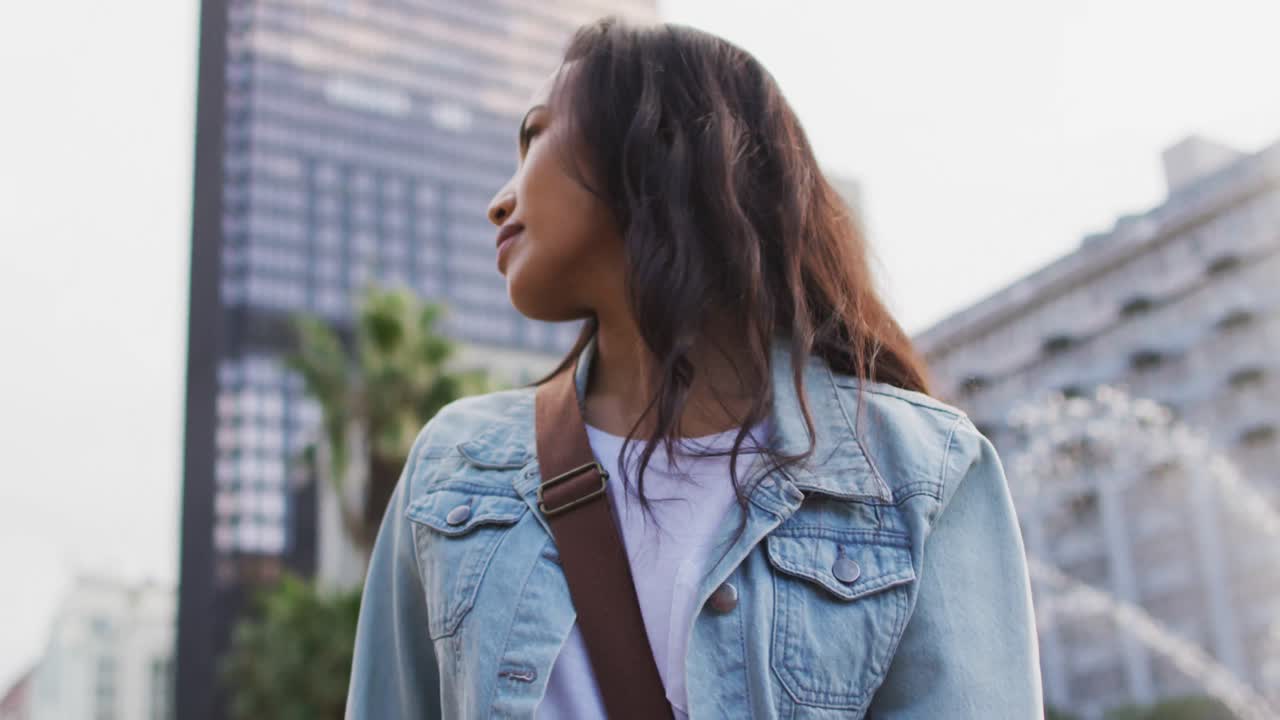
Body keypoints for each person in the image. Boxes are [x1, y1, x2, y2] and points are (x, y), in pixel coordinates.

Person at [346, 16, 1042, 720]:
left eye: (533, 137)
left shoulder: (921, 469)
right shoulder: (456, 465)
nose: (500, 199)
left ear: (652, 149)